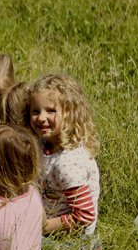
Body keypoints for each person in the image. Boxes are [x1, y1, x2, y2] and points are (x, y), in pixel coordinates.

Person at [26, 74, 100, 238]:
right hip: (48, 220)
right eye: (35, 111)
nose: (41, 118)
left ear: (70, 114)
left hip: (69, 240)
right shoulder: (45, 143)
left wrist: (44, 227)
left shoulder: (67, 165)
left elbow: (85, 216)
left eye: (51, 111)